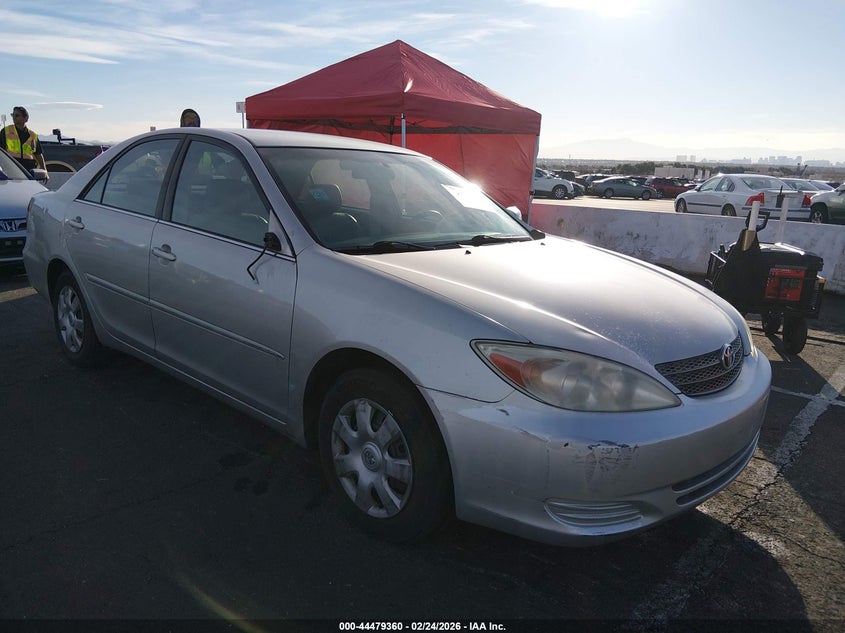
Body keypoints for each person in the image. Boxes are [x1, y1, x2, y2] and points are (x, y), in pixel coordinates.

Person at [1, 106, 48, 180]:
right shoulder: (6, 131)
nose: (14, 117)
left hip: (28, 172)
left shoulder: (33, 135)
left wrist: (45, 171)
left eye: (17, 115)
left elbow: (38, 154)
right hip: (11, 170)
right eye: (13, 115)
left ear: (25, 118)